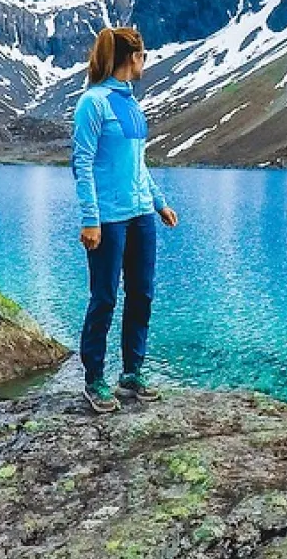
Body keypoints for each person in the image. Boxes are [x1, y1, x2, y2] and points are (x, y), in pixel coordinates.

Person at [70, 26, 179, 413]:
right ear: (132, 57)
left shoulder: (132, 105)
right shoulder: (92, 103)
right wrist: (90, 219)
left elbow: (138, 163)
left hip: (140, 217)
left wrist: (158, 202)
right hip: (109, 220)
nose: (145, 61)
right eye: (143, 54)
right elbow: (81, 163)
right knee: (104, 298)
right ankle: (94, 379)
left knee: (142, 295)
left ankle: (131, 373)